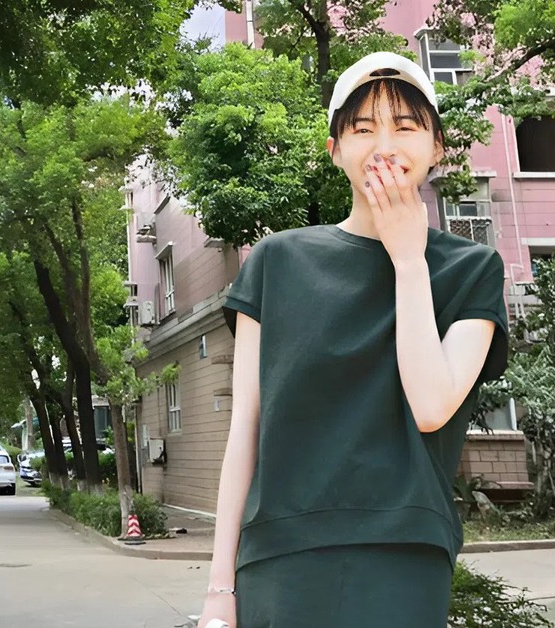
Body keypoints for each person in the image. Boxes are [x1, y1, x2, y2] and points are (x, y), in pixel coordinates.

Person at [196, 51, 509, 628]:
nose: (384, 146)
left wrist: (409, 260)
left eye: (406, 126)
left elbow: (432, 406)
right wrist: (219, 589)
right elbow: (246, 427)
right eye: (362, 129)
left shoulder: (472, 269)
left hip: (403, 553)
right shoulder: (275, 262)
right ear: (335, 149)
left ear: (437, 147)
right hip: (279, 555)